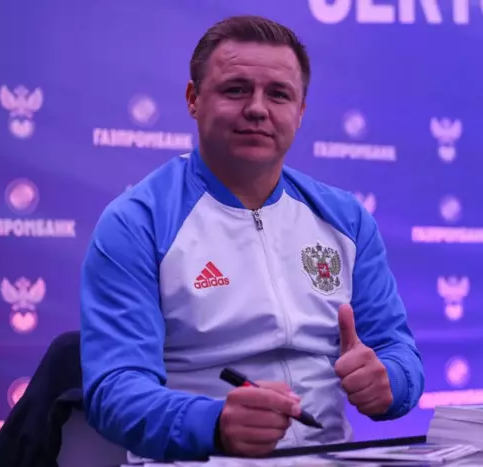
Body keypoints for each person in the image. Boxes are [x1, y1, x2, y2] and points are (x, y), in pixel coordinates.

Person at [80, 14, 425, 462]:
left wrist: (390, 381)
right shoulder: (137, 222)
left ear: (300, 112)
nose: (258, 108)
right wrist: (214, 424)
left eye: (278, 94)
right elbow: (115, 389)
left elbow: (397, 350)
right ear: (193, 99)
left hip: (330, 456)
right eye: (236, 89)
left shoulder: (346, 218)